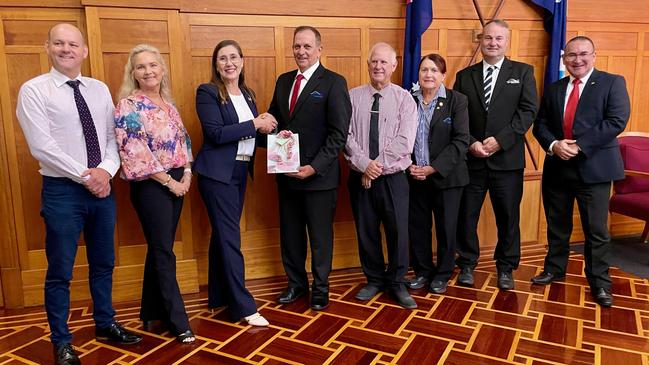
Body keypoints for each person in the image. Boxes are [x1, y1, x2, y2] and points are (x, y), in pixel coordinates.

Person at [15, 23, 141, 365]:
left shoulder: (99, 89)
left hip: (102, 187)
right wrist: (88, 176)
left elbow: (113, 139)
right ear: (48, 47)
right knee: (61, 269)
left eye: (73, 44)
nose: (66, 49)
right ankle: (62, 341)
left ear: (84, 50)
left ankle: (105, 323)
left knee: (104, 262)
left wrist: (106, 172)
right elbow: (42, 146)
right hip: (62, 192)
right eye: (59, 43)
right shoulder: (34, 90)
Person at [531, 36, 630, 307]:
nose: (578, 60)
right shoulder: (554, 88)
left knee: (596, 230)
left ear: (594, 55)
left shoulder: (612, 82)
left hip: (594, 169)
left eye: (583, 54)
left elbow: (617, 120)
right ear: (564, 59)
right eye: (572, 55)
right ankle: (554, 268)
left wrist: (578, 146)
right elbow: (540, 124)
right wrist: (553, 144)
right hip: (557, 168)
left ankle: (599, 282)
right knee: (557, 225)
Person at [114, 44, 195, 343]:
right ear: (133, 73)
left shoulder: (167, 103)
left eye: (153, 65)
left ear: (162, 69)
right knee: (164, 250)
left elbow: (183, 142)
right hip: (152, 185)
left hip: (177, 181)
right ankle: (179, 320)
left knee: (159, 247)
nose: (148, 71)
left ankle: (150, 311)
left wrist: (186, 174)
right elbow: (135, 152)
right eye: (141, 67)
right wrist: (170, 183)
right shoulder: (129, 106)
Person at [267, 25, 351, 311]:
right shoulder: (283, 81)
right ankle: (296, 284)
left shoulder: (334, 82)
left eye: (306, 46)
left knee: (319, 237)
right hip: (287, 176)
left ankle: (321, 288)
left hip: (319, 178)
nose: (301, 52)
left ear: (319, 48)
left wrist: (313, 167)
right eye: (296, 46)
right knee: (290, 236)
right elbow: (276, 123)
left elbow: (338, 134)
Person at [193, 40, 276, 326]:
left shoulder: (248, 94)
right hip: (216, 175)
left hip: (239, 173)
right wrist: (256, 124)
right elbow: (216, 134)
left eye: (233, 57)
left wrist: (280, 136)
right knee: (230, 238)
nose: (229, 63)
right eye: (222, 58)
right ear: (216, 64)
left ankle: (220, 297)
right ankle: (244, 306)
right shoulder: (207, 92)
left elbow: (251, 136)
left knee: (222, 237)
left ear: (242, 60)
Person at [453, 19, 538, 290]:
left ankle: (506, 268)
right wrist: (472, 143)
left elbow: (527, 112)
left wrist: (500, 141)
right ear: (481, 40)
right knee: (467, 215)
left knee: (508, 216)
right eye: (488, 38)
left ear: (507, 41)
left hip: (507, 160)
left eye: (498, 38)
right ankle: (466, 264)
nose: (493, 43)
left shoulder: (523, 72)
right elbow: (458, 117)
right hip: (472, 159)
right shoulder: (465, 76)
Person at [345, 42, 418, 309]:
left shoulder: (404, 99)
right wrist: (364, 165)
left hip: (393, 179)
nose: (378, 67)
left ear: (394, 66)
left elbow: (404, 141)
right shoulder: (352, 97)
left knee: (398, 231)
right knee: (366, 230)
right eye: (374, 62)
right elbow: (347, 137)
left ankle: (397, 282)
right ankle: (374, 279)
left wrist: (374, 167)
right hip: (361, 176)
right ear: (368, 64)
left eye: (384, 62)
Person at [406, 54, 470, 294]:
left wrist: (433, 168)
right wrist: (409, 165)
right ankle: (423, 271)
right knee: (418, 227)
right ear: (419, 74)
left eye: (434, 70)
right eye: (424, 70)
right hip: (415, 177)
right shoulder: (408, 100)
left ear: (443, 75)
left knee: (446, 227)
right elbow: (400, 137)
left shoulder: (457, 101)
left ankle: (442, 274)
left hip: (447, 178)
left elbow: (461, 141)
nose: (429, 75)